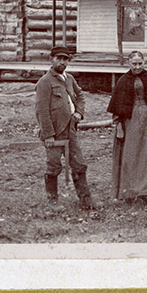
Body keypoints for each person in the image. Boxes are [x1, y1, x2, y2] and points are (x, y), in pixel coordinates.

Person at [34, 46, 95, 210]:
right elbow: (41, 111)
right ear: (51, 60)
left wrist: (79, 113)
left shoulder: (69, 78)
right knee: (54, 166)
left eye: (65, 59)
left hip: (70, 129)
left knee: (79, 163)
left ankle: (86, 201)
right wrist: (48, 135)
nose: (62, 62)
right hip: (54, 132)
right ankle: (52, 202)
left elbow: (80, 96)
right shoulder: (45, 82)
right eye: (58, 59)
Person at [106, 50, 147, 201]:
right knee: (132, 154)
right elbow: (117, 106)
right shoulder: (123, 81)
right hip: (130, 120)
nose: (137, 67)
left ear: (144, 62)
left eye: (140, 63)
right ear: (129, 63)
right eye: (134, 64)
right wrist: (119, 126)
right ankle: (131, 191)